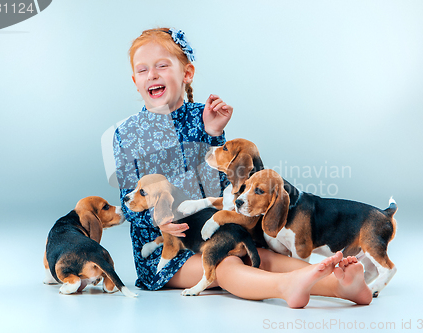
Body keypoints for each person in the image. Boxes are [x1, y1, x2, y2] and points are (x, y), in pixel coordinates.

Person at [113, 27, 372, 308]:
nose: (152, 74)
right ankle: (296, 287)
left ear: (187, 73)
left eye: (162, 66)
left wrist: (213, 133)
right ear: (135, 81)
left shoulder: (202, 116)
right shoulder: (127, 134)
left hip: (212, 231)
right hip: (166, 248)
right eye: (142, 70)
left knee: (262, 254)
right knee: (225, 264)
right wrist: (157, 219)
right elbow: (128, 201)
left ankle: (344, 285)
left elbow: (221, 190)